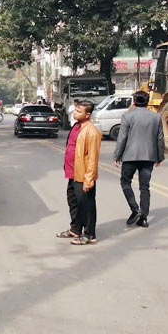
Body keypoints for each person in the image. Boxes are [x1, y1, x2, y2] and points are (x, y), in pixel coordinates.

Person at [113, 91, 165, 228]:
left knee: (125, 182)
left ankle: (134, 208)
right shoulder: (156, 117)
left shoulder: (127, 116)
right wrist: (160, 156)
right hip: (148, 157)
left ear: (134, 101)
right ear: (147, 101)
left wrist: (117, 156)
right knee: (145, 187)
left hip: (130, 156)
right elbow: (159, 138)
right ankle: (144, 218)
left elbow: (122, 137)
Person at [56, 100, 101, 245]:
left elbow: (92, 158)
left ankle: (89, 235)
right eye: (75, 110)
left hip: (83, 175)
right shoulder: (76, 126)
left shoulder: (91, 131)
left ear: (88, 115)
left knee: (86, 205)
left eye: (79, 111)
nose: (75, 113)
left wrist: (89, 179)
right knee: (73, 202)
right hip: (72, 172)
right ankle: (75, 229)